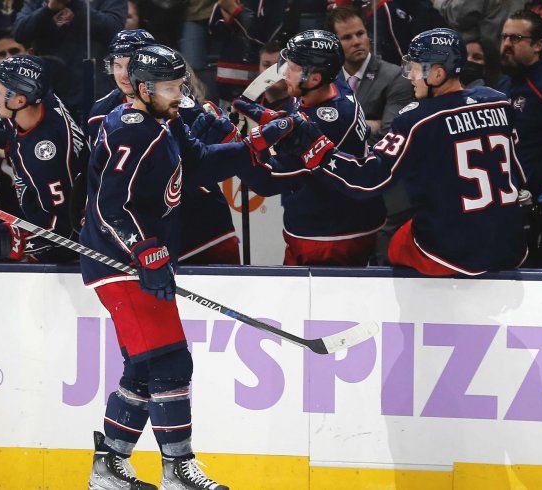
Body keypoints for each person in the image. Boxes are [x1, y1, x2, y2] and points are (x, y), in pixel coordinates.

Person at [82, 44, 293, 490]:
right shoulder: (129, 130)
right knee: (172, 362)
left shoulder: (165, 120)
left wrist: (249, 145)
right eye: (171, 87)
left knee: (144, 367)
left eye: (181, 84)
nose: (181, 94)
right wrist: (144, 249)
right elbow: (109, 205)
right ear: (144, 88)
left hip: (139, 263)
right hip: (120, 265)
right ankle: (178, 468)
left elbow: (197, 162)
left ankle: (109, 466)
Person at [274, 28, 528, 275]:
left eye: (416, 68)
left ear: (438, 74)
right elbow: (518, 174)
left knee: (396, 246)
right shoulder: (497, 100)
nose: (410, 76)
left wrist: (318, 150)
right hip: (510, 244)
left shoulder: (418, 119)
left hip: (453, 254)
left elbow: (368, 180)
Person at [87, 29, 240, 265]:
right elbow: (100, 179)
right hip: (149, 238)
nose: (123, 74)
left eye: (130, 65)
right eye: (117, 65)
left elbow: (205, 164)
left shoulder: (181, 106)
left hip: (202, 227)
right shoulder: (99, 113)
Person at [233, 30, 385, 266]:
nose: (283, 73)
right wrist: (274, 118)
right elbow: (299, 117)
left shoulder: (327, 122)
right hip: (342, 218)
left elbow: (268, 180)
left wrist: (237, 145)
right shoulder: (332, 82)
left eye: (292, 68)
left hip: (329, 236)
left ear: (314, 78)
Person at [0, 55, 85, 262]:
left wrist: (20, 242)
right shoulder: (41, 100)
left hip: (64, 257)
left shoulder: (45, 155)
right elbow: (17, 136)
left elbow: (64, 229)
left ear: (19, 100)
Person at [497, 10, 542, 267]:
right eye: (504, 37)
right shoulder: (500, 88)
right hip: (506, 210)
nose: (506, 45)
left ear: (538, 45)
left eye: (515, 38)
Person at [13, 0, 126, 119]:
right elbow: (19, 32)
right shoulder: (37, 2)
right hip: (52, 95)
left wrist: (74, 4)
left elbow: (114, 28)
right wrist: (49, 9)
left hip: (95, 91)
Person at [327, 6, 413, 144]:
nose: (356, 42)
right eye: (347, 37)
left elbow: (390, 138)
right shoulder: (326, 78)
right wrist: (369, 125)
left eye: (360, 33)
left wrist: (336, 127)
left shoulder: (396, 77)